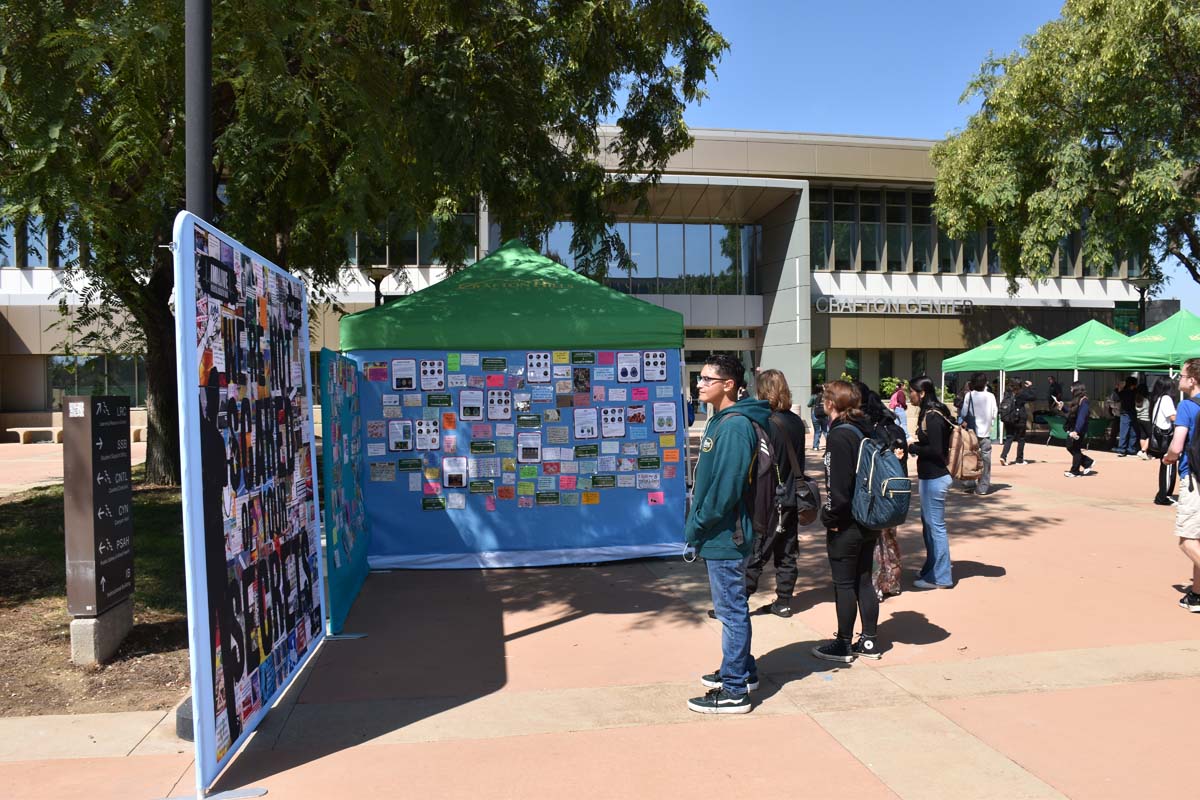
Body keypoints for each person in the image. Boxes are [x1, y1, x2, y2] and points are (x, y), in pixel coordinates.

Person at [685, 354, 771, 714]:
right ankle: (742, 670)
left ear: (729, 385)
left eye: (708, 379)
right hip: (719, 532)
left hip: (726, 534)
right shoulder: (721, 421)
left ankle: (735, 689)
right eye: (700, 378)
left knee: (731, 611)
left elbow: (726, 489)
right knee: (731, 608)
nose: (700, 384)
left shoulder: (734, 426)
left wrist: (697, 523)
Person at [811, 381, 884, 662]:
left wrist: (830, 517)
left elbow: (838, 488)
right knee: (864, 580)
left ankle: (843, 643)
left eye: (824, 399)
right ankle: (869, 641)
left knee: (843, 584)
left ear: (831, 403)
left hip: (847, 522)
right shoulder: (865, 429)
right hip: (869, 517)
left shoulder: (839, 435)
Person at [744, 369, 806, 618]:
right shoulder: (796, 421)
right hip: (793, 494)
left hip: (770, 496)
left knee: (758, 549)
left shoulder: (765, 423)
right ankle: (784, 600)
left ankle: (738, 600)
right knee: (787, 551)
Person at [908, 375, 954, 589]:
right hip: (930, 477)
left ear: (922, 393)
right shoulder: (931, 412)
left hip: (935, 477)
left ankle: (941, 577)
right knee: (929, 527)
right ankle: (931, 569)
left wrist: (913, 448)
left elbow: (936, 450)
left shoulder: (933, 415)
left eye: (912, 391)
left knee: (935, 527)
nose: (910, 395)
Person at [1163, 358, 1200, 612]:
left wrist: (1168, 458)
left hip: (1194, 478)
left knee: (1187, 540)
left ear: (1193, 380)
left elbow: (1177, 447)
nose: (1179, 379)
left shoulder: (1187, 406)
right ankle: (1196, 595)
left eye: (1183, 375)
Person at [962, 373, 997, 495]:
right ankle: (983, 487)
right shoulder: (991, 396)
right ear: (985, 383)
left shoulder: (969, 395)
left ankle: (969, 482)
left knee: (970, 457)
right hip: (986, 433)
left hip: (971, 433)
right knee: (986, 460)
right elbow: (994, 413)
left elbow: (964, 413)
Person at [1151, 376, 1178, 506]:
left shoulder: (1158, 399)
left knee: (1165, 465)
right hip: (1166, 438)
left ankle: (1163, 494)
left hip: (1160, 437)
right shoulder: (1166, 399)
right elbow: (1173, 417)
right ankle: (1163, 496)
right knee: (1168, 466)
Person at [1000, 378, 1037, 466]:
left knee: (1009, 438)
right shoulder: (1021, 393)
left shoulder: (1007, 393)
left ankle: (1003, 456)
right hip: (1020, 419)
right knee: (1021, 439)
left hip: (1009, 418)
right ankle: (1019, 459)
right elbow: (1033, 397)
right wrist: (1030, 387)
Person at [1063, 381, 1095, 478]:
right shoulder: (1077, 400)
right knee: (1070, 446)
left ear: (1076, 389)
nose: (1070, 390)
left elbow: (1081, 417)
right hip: (1074, 427)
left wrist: (1076, 430)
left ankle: (1075, 471)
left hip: (1079, 429)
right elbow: (1072, 412)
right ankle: (1087, 462)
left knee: (1075, 448)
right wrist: (1062, 408)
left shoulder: (1084, 401)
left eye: (1072, 388)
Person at [1116, 377, 1139, 456]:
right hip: (1130, 412)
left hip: (1125, 413)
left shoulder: (1124, 391)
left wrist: (1120, 387)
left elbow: (1118, 393)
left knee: (1125, 431)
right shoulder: (1134, 392)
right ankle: (1129, 449)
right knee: (1132, 431)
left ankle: (1123, 449)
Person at [1135, 385, 1152, 460]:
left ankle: (1144, 454)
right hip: (1146, 419)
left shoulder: (1137, 398)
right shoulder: (1146, 400)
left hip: (1139, 418)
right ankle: (1143, 451)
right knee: (1151, 435)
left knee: (1143, 436)